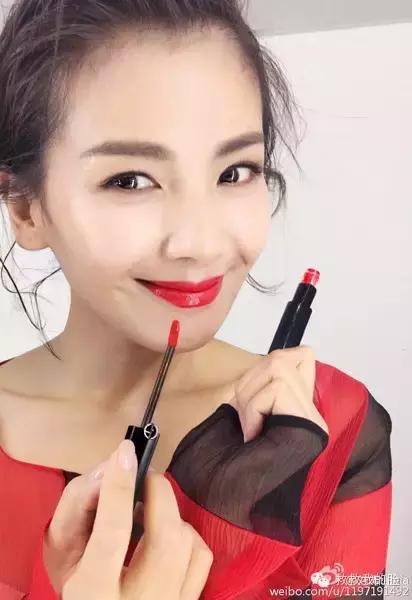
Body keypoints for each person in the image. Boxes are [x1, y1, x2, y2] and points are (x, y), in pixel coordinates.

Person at [0, 1, 392, 599]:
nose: (201, 243)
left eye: (235, 172)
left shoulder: (335, 428)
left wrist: (237, 538)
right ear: (27, 209)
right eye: (130, 180)